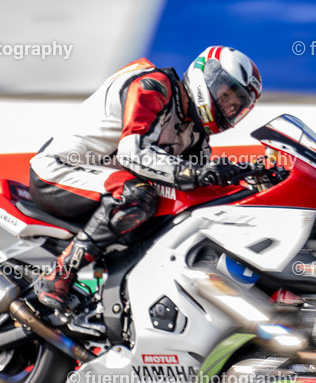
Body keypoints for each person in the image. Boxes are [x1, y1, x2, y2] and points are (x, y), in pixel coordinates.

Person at [29, 46, 262, 311]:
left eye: (236, 105)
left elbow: (204, 189)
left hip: (106, 183)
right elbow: (133, 154)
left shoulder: (195, 134)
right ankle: (60, 273)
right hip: (59, 171)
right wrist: (194, 173)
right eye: (226, 94)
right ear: (206, 76)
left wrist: (246, 177)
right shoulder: (154, 86)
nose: (228, 106)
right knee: (136, 195)